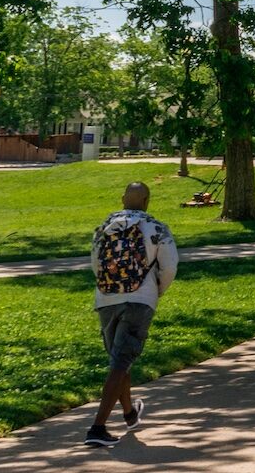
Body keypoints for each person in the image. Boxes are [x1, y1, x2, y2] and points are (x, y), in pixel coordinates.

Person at [84, 180, 178, 448]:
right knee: (120, 362)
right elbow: (170, 267)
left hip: (106, 298)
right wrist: (155, 291)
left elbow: (95, 262)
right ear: (147, 201)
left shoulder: (103, 227)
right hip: (139, 299)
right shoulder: (157, 227)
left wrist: (109, 286)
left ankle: (129, 414)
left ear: (122, 199)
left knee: (119, 360)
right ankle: (97, 427)